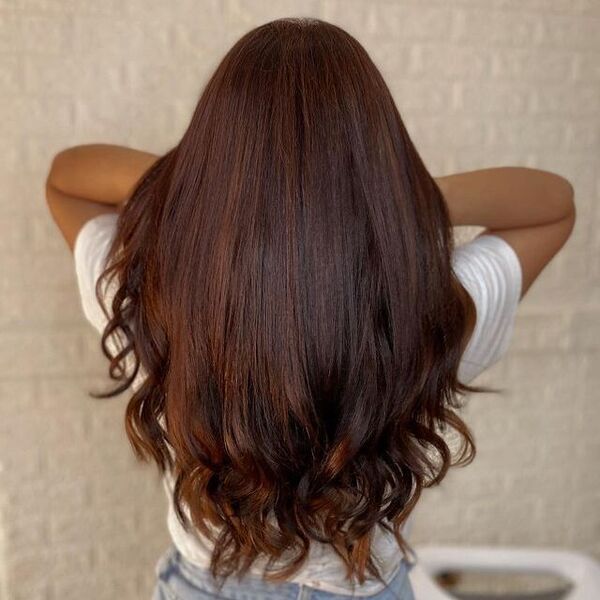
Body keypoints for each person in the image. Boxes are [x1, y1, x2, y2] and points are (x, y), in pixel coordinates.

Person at [45, 16, 576, 600]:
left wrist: (201, 191)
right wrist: (406, 200)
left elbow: (66, 178)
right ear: (377, 159)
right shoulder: (429, 306)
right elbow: (552, 205)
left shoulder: (158, 295)